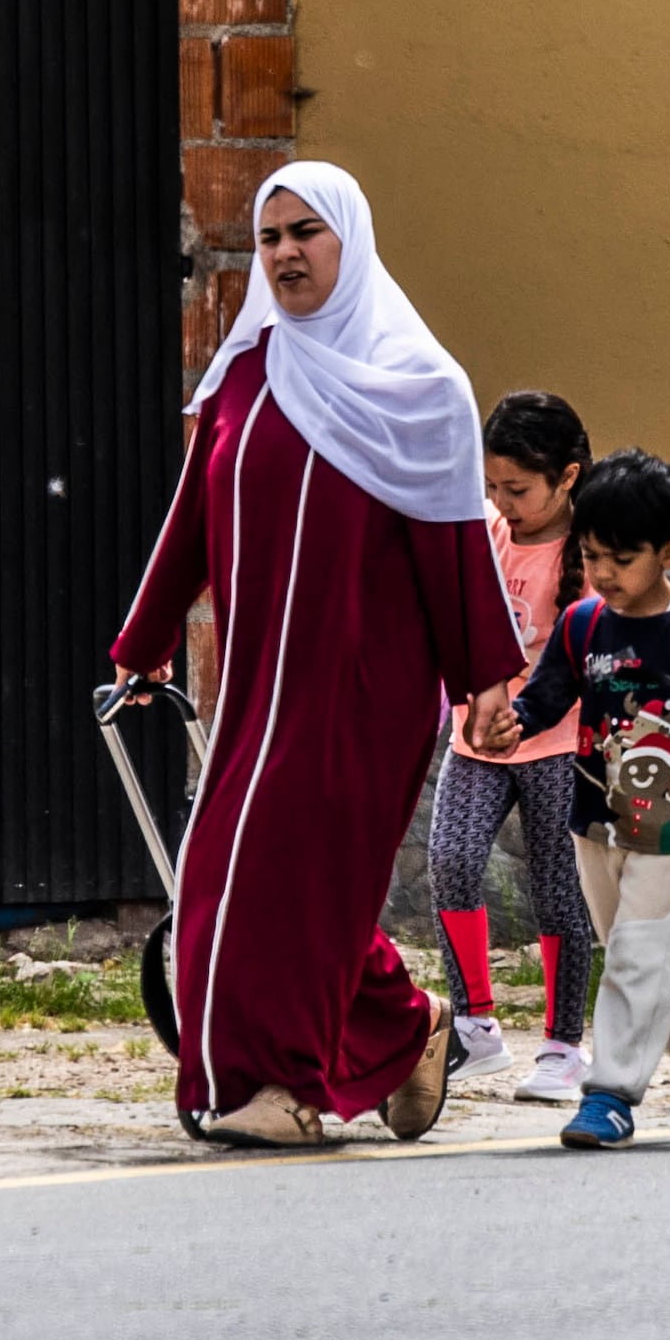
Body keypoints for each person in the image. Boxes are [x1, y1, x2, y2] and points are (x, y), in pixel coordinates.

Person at [110, 163, 518, 1146]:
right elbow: (194, 517)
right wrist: (147, 638)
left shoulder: (420, 388)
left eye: (307, 232)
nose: (286, 252)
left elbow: (454, 543)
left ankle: (279, 1086)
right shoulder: (248, 371)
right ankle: (402, 1030)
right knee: (253, 879)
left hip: (360, 689)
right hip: (258, 681)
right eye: (269, 238)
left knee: (265, 877)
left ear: (351, 241)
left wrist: (485, 683)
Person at [481, 452, 670, 1147]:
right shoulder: (584, 626)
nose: (605, 572)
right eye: (592, 555)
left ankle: (610, 1094)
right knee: (637, 957)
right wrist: (516, 721)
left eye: (622, 557)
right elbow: (549, 694)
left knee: (639, 958)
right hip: (597, 827)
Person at [431, 391, 607, 1104]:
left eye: (518, 488)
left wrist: (530, 714)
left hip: (559, 739)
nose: (501, 500)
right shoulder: (486, 530)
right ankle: (475, 1026)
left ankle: (564, 1045)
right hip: (479, 732)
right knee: (450, 859)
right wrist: (476, 702)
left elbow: (595, 654)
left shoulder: (591, 551)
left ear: (567, 477)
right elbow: (457, 616)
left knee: (560, 894)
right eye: (492, 485)